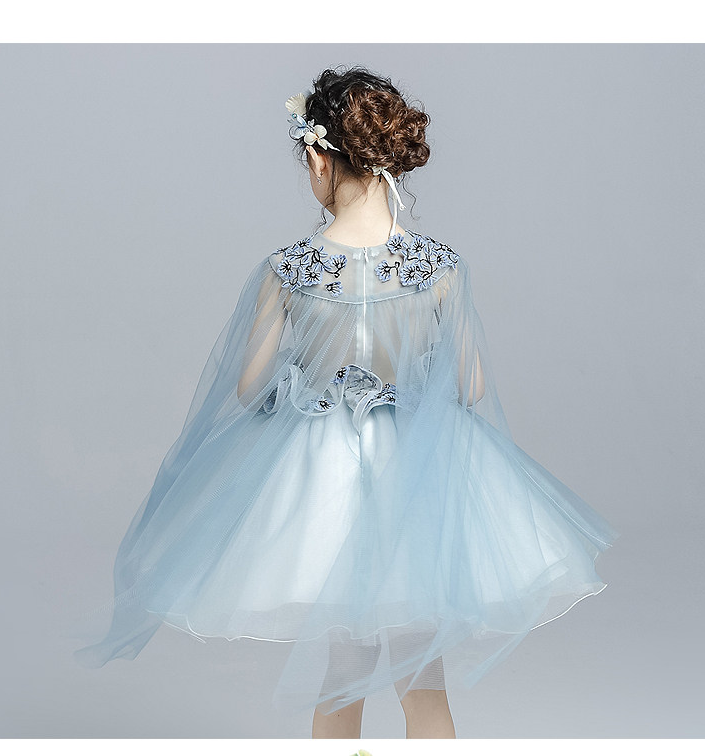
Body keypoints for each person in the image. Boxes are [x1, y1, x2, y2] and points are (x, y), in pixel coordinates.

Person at [69, 65, 620, 739]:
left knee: (341, 671)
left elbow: (249, 388)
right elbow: (472, 387)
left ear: (317, 159)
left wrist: (307, 385)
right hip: (420, 482)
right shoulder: (439, 267)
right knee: (423, 678)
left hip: (320, 485)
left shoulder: (290, 269)